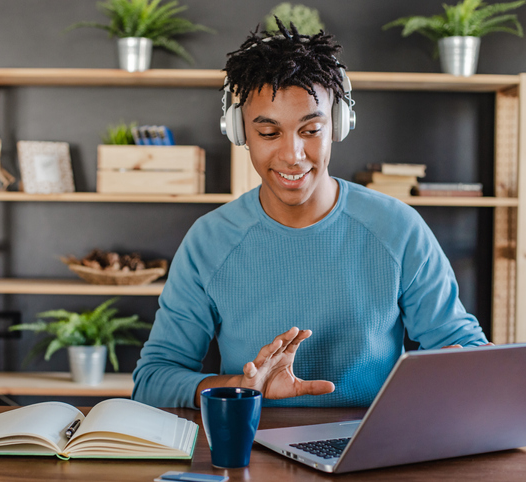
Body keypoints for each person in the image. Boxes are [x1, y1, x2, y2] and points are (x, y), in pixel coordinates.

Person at [132, 20, 489, 409]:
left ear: (337, 124)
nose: (292, 155)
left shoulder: (397, 227)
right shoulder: (209, 241)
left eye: (311, 129)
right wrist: (244, 386)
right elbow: (152, 381)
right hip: (255, 452)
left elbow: (465, 346)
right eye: (269, 133)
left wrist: (459, 366)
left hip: (372, 450)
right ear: (239, 133)